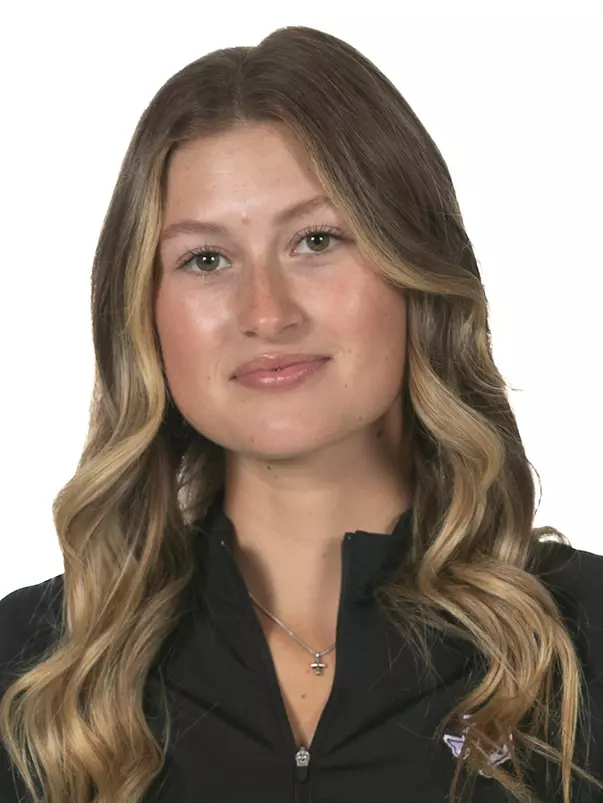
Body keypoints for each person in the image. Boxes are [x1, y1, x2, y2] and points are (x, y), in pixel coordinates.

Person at [0, 24, 602, 803]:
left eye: (316, 240)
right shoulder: (33, 668)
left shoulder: (582, 639)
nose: (266, 312)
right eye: (205, 259)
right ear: (142, 313)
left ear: (415, 269)